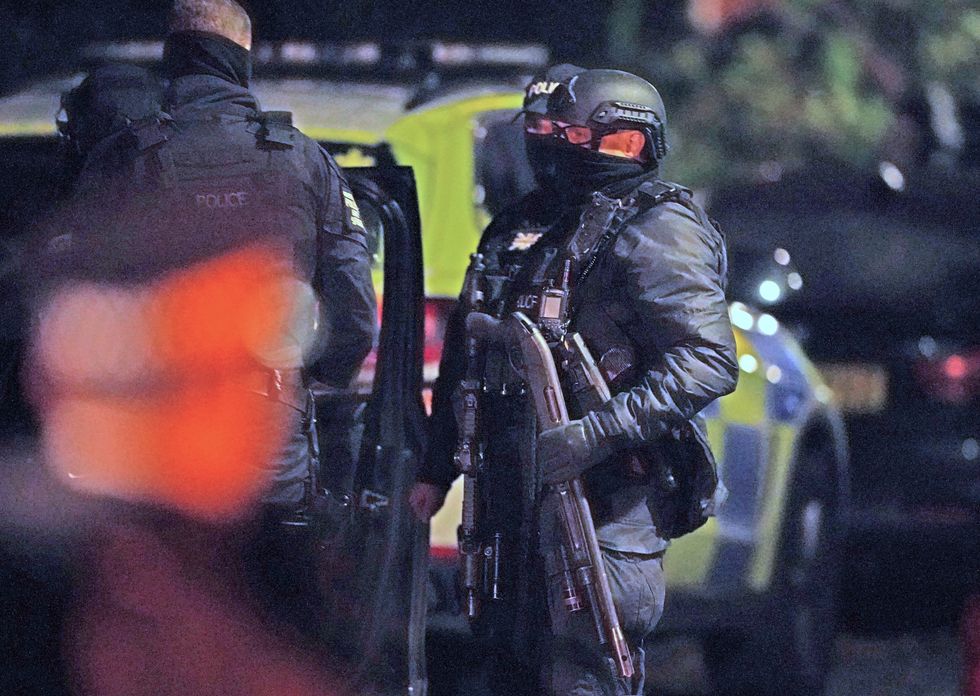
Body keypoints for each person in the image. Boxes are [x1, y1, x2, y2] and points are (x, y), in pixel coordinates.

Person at [35, 0, 376, 657]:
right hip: (269, 445)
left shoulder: (122, 157)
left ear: (174, 53)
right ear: (242, 57)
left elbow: (67, 305)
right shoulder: (303, 161)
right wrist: (305, 389)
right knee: (270, 634)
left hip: (149, 454)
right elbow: (354, 313)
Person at [410, 65, 738, 695]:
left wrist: (595, 434)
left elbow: (707, 359)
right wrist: (435, 468)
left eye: (571, 130)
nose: (552, 143)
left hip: (600, 505)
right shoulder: (520, 227)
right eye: (543, 129)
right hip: (509, 499)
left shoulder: (656, 228)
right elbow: (470, 350)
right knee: (505, 665)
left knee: (583, 669)